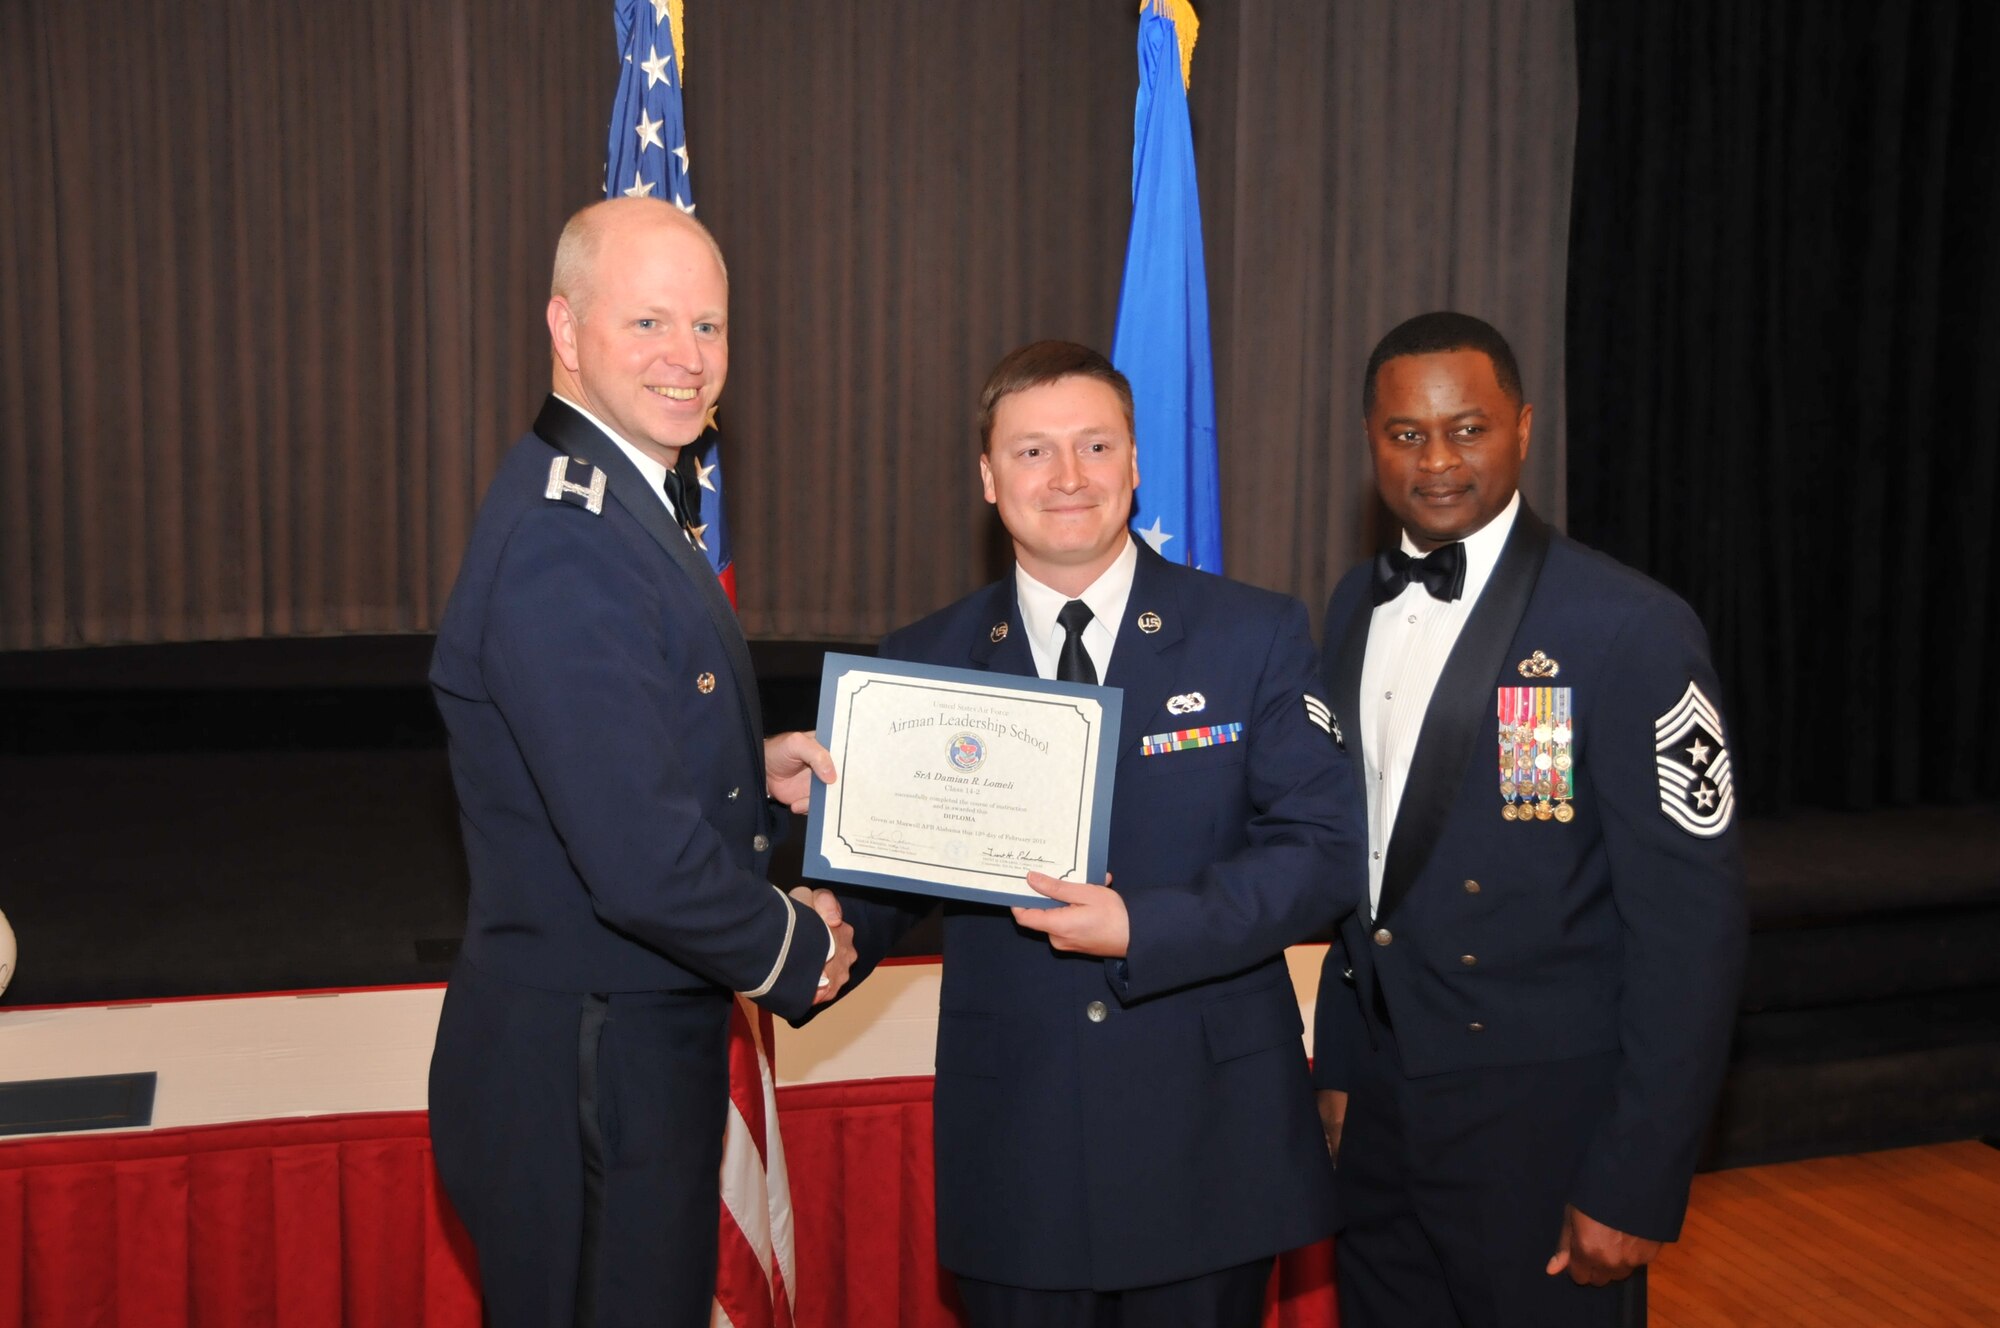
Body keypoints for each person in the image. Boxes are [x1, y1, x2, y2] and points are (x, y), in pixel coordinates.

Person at [834, 340, 1364, 1327]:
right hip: (1017, 1139)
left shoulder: (1253, 633)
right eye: (1032, 452)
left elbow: (1321, 852)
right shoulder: (924, 659)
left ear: (1133, 464)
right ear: (988, 477)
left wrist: (1145, 924)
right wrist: (821, 927)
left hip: (1203, 1137)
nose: (1066, 477)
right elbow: (884, 871)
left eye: (1093, 445)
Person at [427, 197, 855, 1328]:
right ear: (565, 330)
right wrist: (794, 944)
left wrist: (738, 763)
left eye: (708, 327)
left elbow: (598, 743)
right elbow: (634, 860)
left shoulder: (614, 498)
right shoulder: (568, 538)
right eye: (650, 322)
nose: (687, 358)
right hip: (586, 1066)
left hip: (606, 1043)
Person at [1312, 311, 1747, 1327]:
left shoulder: (1628, 627)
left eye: (1465, 429)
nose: (1435, 461)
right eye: (1404, 433)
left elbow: (1691, 931)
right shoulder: (1347, 606)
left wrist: (1635, 1177)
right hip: (1380, 1112)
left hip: (1541, 1123)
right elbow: (1357, 868)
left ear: (1521, 427)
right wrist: (1341, 1065)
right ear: (1369, 439)